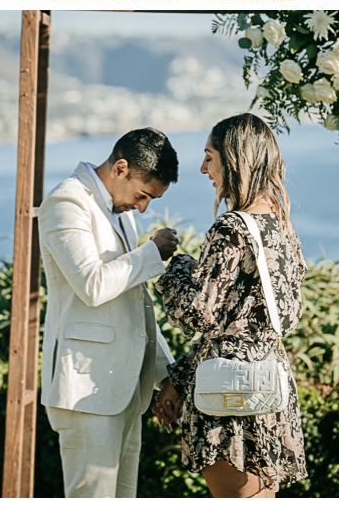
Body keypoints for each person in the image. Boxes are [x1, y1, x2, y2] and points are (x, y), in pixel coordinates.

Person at [152, 113, 307, 498]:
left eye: (209, 156)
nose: (203, 168)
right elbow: (243, 326)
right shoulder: (279, 225)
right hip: (269, 382)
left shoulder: (232, 228)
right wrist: (180, 377)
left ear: (234, 159)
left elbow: (199, 313)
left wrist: (176, 267)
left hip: (232, 395)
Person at [37, 128, 180, 498]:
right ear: (119, 168)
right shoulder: (66, 202)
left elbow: (134, 303)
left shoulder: (120, 211)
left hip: (124, 388)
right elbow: (93, 285)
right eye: (143, 194)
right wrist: (152, 254)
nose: (143, 207)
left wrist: (165, 375)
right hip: (85, 390)